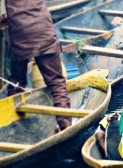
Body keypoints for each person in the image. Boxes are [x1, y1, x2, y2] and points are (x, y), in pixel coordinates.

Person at [4, 0, 71, 131]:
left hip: (19, 33)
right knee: (57, 83)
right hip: (43, 32)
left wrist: (11, 18)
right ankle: (66, 127)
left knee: (16, 83)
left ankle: (11, 127)